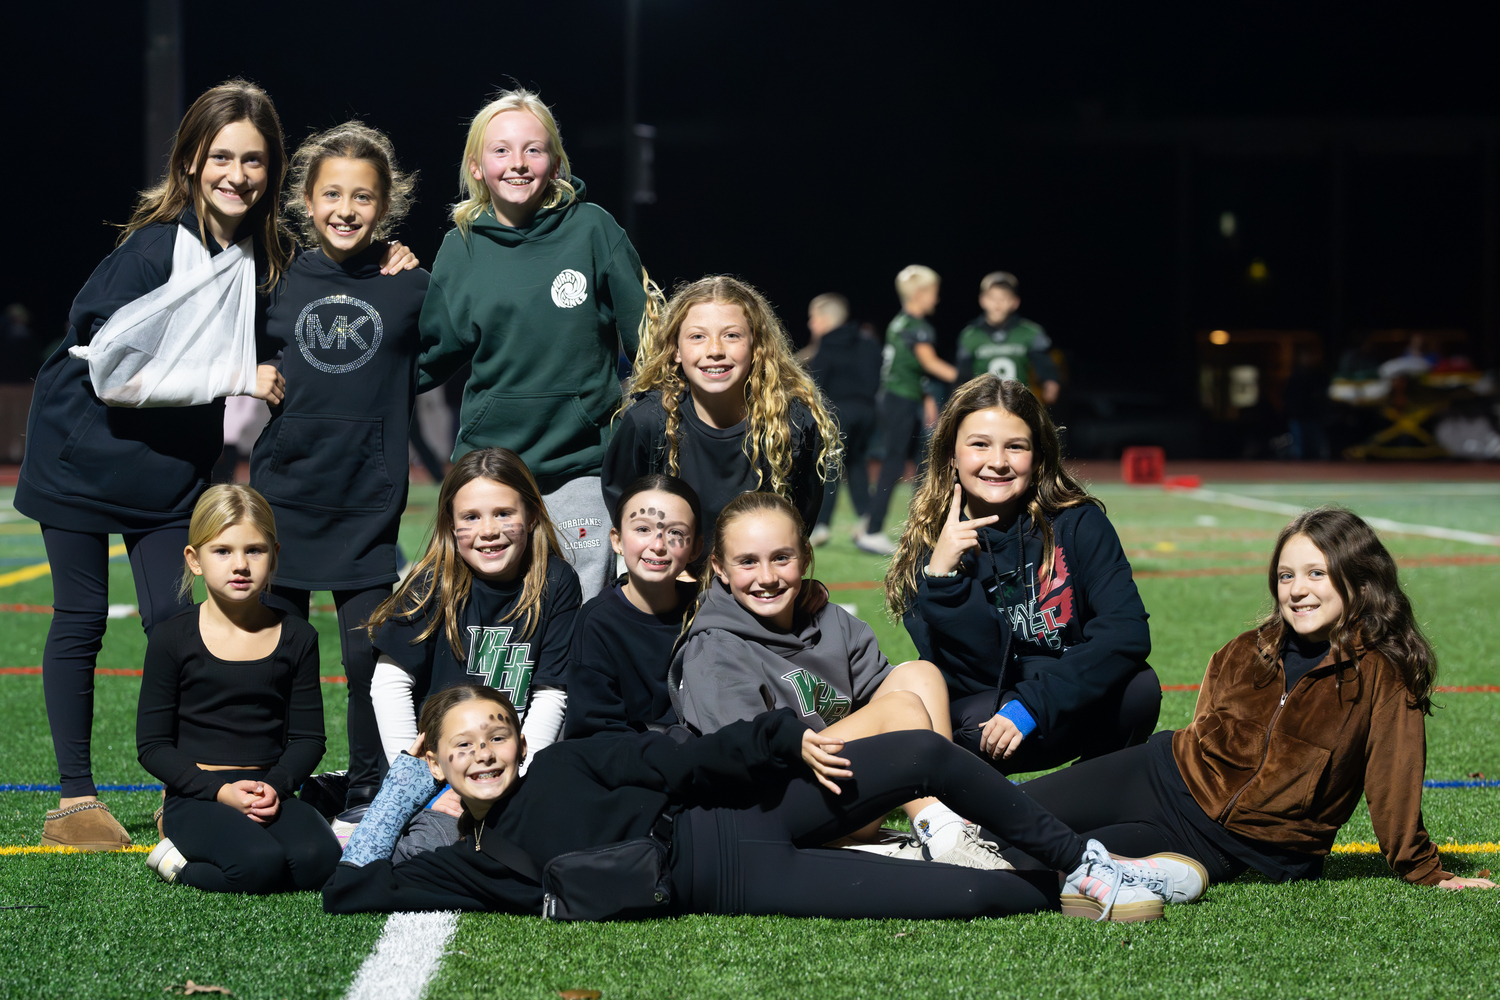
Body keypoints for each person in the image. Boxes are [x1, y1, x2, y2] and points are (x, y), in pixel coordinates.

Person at [15, 80, 293, 851]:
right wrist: (234, 379)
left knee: (177, 627)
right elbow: (109, 372)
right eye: (222, 157)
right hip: (81, 451)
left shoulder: (255, 255)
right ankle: (75, 802)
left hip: (170, 466)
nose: (237, 173)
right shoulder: (153, 248)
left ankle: (188, 790)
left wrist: (389, 260)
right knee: (79, 620)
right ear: (192, 160)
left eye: (255, 160)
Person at [323, 683, 1200, 921]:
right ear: (435, 758)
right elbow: (347, 888)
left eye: (496, 732)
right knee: (972, 895)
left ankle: (1093, 858)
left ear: (520, 736)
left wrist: (783, 740)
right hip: (734, 878)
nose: (484, 752)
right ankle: (1086, 876)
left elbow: (683, 761)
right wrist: (406, 783)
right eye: (461, 745)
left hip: (744, 816)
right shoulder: (470, 865)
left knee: (926, 752)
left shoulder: (562, 766)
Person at [1014, 507, 1498, 894]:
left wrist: (1425, 870)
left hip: (1220, 843)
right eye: (1287, 576)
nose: (1298, 590)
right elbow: (1202, 727)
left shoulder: (1382, 676)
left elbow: (1394, 781)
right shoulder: (1247, 649)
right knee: (1010, 814)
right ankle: (936, 821)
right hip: (1160, 772)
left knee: (1042, 860)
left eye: (1316, 573)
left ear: (1360, 582)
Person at [250, 121, 430, 828]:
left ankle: (365, 786)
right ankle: (277, 784)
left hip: (367, 500)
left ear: (385, 206)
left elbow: (443, 356)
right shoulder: (276, 277)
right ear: (305, 197)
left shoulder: (411, 284)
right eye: (331, 194)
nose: (346, 209)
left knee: (366, 660)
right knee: (281, 659)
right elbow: (235, 350)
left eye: (362, 197)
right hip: (285, 496)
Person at [670, 491, 1003, 867]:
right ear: (719, 568)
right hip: (772, 808)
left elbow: (882, 700)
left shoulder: (830, 620)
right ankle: (945, 836)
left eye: (782, 558)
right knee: (901, 708)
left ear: (806, 557)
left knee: (919, 677)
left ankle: (943, 822)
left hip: (837, 786)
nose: (767, 577)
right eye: (747, 562)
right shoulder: (715, 648)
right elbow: (740, 762)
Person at [417, 88, 650, 603]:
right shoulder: (461, 246)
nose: (517, 164)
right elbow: (428, 356)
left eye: (533, 150)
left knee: (583, 614)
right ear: (476, 166)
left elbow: (650, 345)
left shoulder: (593, 229)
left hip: (582, 468)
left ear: (555, 162)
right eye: (500, 150)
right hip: (489, 470)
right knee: (485, 617)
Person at [887, 375, 1159, 774]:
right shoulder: (931, 548)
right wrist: (944, 582)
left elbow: (1127, 632)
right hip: (986, 719)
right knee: (965, 719)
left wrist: (1033, 704)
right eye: (979, 444)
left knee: (1138, 688)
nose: (998, 461)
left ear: (1038, 456)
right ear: (951, 454)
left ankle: (1085, 789)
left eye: (1015, 446)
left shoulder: (1078, 523)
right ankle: (992, 798)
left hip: (1056, 701)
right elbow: (977, 672)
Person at [366, 447, 581, 841]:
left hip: (512, 769)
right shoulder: (435, 580)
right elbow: (389, 685)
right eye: (471, 517)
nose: (488, 530)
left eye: (503, 513)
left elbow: (552, 693)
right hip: (438, 775)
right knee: (439, 845)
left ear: (532, 514)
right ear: (450, 524)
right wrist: (418, 784)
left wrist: (516, 776)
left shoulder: (556, 581)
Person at [137, 485, 341, 892]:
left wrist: (277, 785)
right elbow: (153, 746)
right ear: (194, 560)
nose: (241, 564)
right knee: (257, 866)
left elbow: (308, 738)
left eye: (255, 550)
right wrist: (220, 791)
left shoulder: (298, 635)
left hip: (270, 789)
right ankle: (173, 860)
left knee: (321, 863)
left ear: (275, 555)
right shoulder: (171, 638)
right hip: (198, 795)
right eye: (223, 551)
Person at [603, 276, 841, 554]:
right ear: (676, 349)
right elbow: (623, 506)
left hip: (755, 582)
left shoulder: (793, 423)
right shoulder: (648, 420)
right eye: (697, 336)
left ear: (757, 345)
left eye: (731, 335)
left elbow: (801, 520)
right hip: (671, 582)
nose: (715, 350)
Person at [564, 474, 703, 739]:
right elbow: (594, 730)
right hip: (630, 763)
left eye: (676, 532)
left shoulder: (708, 608)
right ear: (616, 540)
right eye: (642, 529)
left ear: (696, 547)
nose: (658, 545)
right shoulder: (597, 622)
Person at [858, 265, 957, 556]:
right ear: (920, 293)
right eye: (934, 293)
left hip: (898, 397)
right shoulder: (918, 326)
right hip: (900, 399)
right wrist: (969, 377)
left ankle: (910, 524)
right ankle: (874, 529)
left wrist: (926, 398)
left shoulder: (900, 323)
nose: (936, 300)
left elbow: (912, 368)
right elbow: (929, 363)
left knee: (920, 461)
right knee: (896, 463)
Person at [799, 294, 883, 548]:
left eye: (813, 317)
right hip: (867, 413)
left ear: (825, 319)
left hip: (838, 412)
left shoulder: (827, 342)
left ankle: (820, 526)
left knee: (828, 468)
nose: (810, 323)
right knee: (855, 462)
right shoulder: (866, 341)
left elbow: (817, 383)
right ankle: (867, 520)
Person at [954, 272, 1060, 404]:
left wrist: (1050, 383)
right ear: (982, 300)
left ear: (1015, 302)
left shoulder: (1030, 332)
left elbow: (1045, 364)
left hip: (1019, 403)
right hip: (982, 404)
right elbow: (963, 376)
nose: (997, 303)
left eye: (1004, 297)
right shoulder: (970, 335)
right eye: (992, 297)